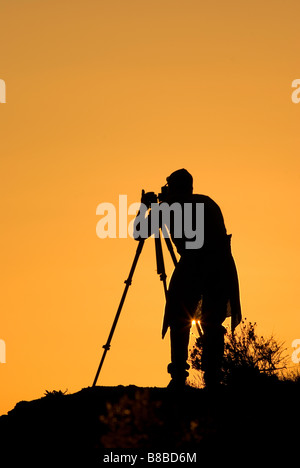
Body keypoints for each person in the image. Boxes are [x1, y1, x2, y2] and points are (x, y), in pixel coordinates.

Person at [134, 169, 241, 389]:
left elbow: (138, 232)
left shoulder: (170, 208)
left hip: (196, 267)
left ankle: (179, 377)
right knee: (212, 323)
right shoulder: (207, 203)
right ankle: (212, 379)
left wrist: (145, 206)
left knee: (179, 318)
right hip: (221, 268)